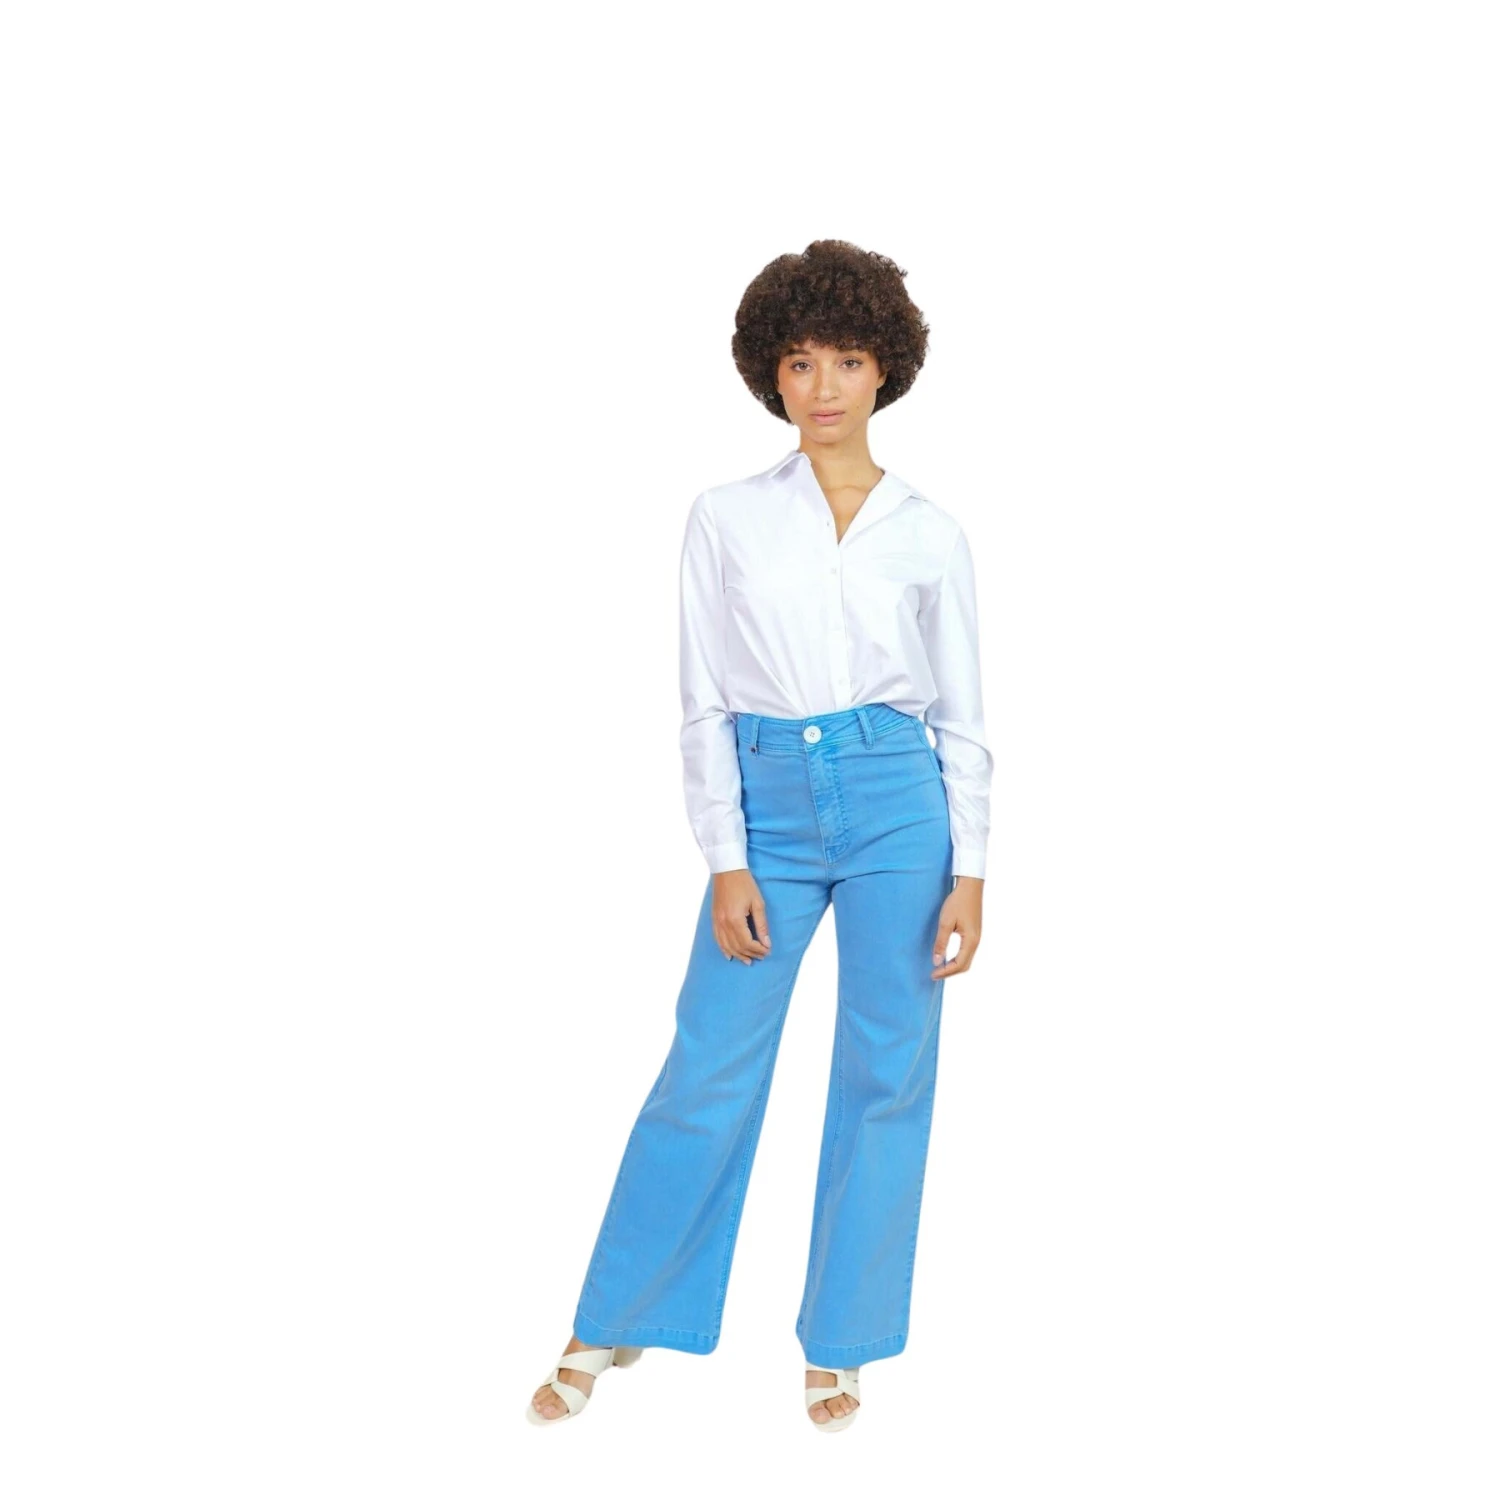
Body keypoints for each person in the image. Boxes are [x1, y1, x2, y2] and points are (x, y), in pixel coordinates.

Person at [526, 239, 993, 1432]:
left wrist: (974, 871)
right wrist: (726, 857)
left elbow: (962, 714)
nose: (823, 386)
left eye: (848, 360)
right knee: (710, 1062)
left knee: (887, 1072)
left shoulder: (931, 533)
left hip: (899, 804)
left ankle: (844, 1339)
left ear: (886, 369)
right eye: (799, 361)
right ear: (768, 374)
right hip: (768, 807)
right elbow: (702, 702)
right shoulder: (726, 517)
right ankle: (619, 1313)